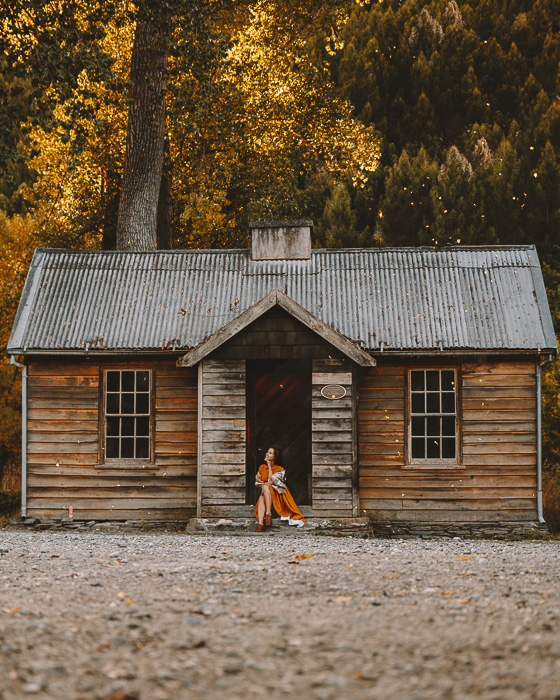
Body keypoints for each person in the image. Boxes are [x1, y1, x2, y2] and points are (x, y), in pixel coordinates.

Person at [255, 446, 305, 532]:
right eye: (267, 452)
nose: (267, 454)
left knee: (266, 487)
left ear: (275, 457)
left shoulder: (280, 470)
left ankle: (267, 514)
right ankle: (262, 522)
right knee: (262, 494)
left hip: (277, 499)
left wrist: (269, 467)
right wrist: (264, 484)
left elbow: (271, 482)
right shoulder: (262, 468)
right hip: (265, 497)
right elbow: (257, 483)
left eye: (270, 453)